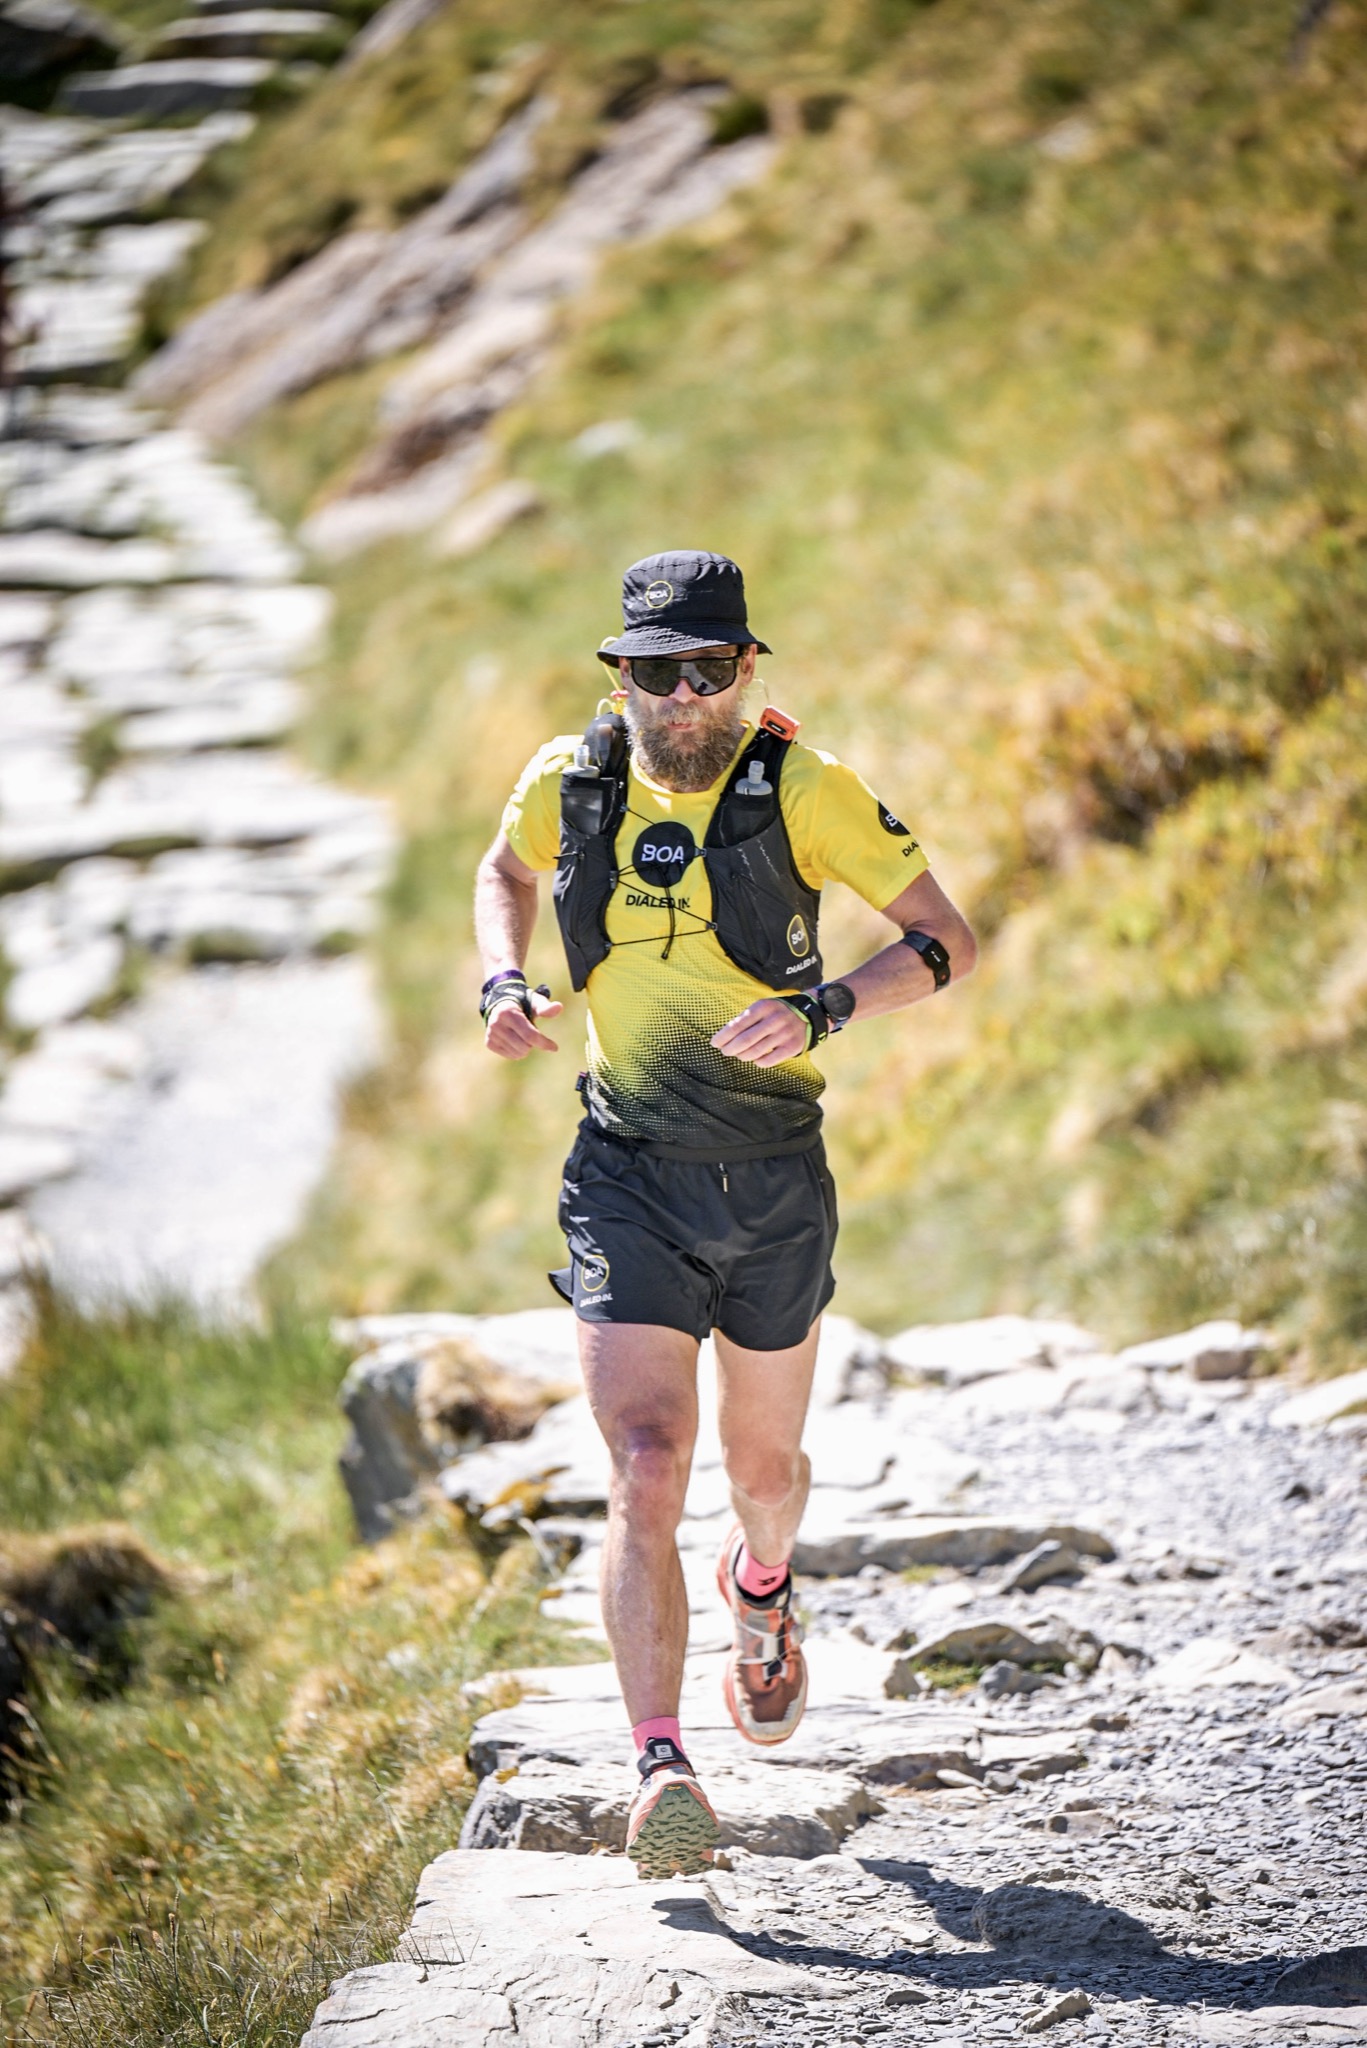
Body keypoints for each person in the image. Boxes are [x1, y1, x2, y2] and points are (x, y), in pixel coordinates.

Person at [475, 549, 976, 1880]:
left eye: (710, 669)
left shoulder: (808, 791)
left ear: (749, 671)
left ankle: (765, 1588)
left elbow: (945, 939)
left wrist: (825, 1007)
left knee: (762, 1483)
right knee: (645, 1464)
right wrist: (499, 982)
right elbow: (501, 871)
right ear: (621, 677)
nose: (684, 696)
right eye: (657, 671)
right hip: (624, 1172)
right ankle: (658, 1765)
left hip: (770, 1184)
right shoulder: (566, 782)